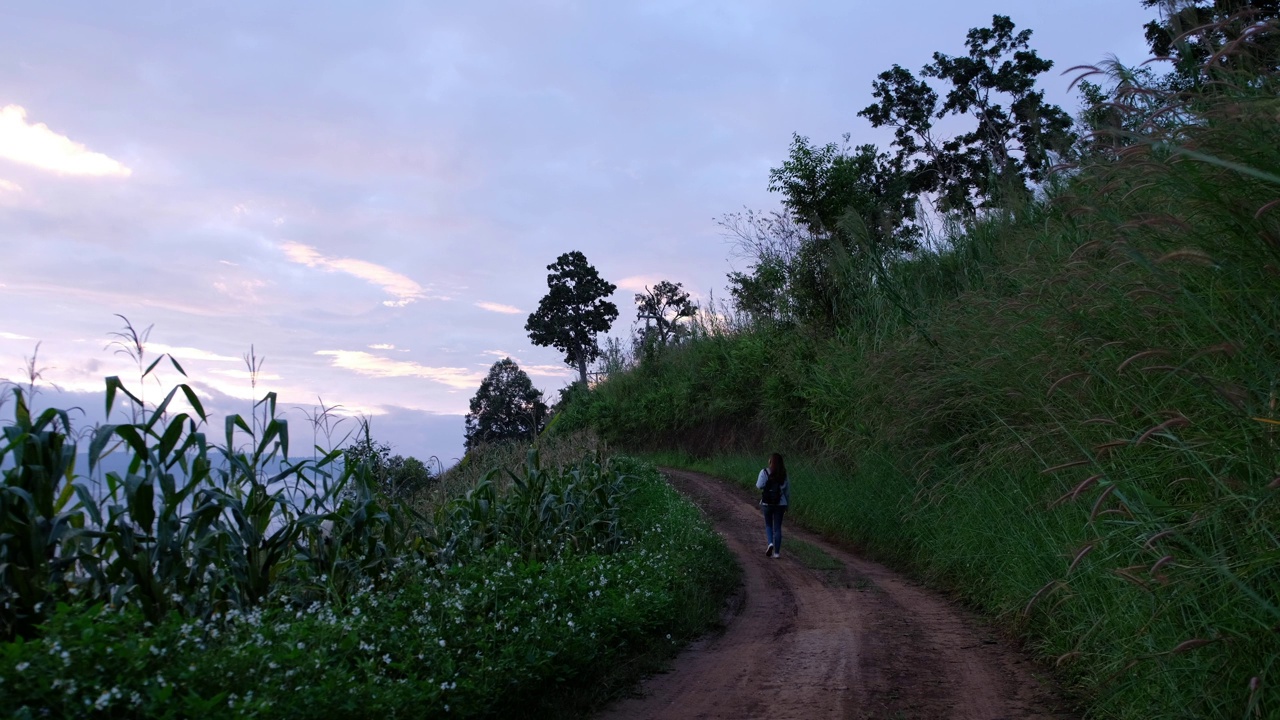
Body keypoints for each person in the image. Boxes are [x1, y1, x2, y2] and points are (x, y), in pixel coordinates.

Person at [756, 453, 788, 559]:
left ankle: (770, 543)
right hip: (781, 503)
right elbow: (787, 491)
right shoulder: (783, 474)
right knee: (778, 527)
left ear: (770, 462)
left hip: (767, 503)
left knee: (768, 525)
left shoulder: (764, 472)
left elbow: (759, 485)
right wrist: (787, 504)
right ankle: (777, 553)